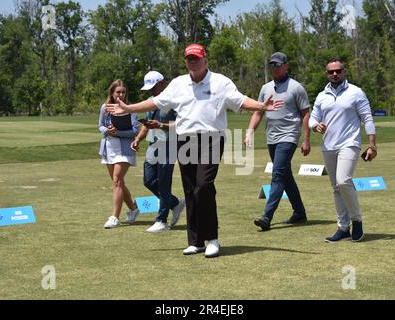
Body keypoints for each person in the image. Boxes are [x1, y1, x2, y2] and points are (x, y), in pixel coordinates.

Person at [106, 43, 283, 258]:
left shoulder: (220, 82)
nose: (193, 62)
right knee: (190, 189)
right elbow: (155, 102)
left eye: (196, 58)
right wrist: (129, 108)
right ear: (185, 61)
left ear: (205, 60)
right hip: (185, 139)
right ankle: (195, 241)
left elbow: (240, 100)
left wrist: (262, 106)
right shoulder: (178, 84)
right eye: (189, 58)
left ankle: (212, 239)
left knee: (203, 186)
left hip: (211, 138)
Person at [309, 58, 377, 242]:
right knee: (336, 188)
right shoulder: (322, 95)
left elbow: (367, 118)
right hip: (328, 146)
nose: (335, 74)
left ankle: (357, 221)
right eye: (331, 71)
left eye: (338, 71)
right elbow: (312, 118)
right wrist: (316, 126)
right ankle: (343, 227)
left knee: (343, 180)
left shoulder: (356, 92)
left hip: (350, 143)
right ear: (327, 73)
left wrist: (372, 145)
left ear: (344, 71)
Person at [246, 52, 311, 231]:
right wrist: (250, 131)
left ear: (286, 66)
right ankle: (299, 212)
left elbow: (305, 114)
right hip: (272, 137)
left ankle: (267, 217)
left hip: (289, 136)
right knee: (285, 176)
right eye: (272, 65)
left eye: (278, 65)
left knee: (277, 174)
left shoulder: (296, 88)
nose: (275, 68)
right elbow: (258, 111)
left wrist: (306, 139)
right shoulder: (266, 88)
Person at [131, 71, 185, 233]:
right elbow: (146, 125)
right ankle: (175, 203)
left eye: (154, 87)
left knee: (164, 181)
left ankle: (161, 220)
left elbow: (182, 125)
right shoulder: (150, 101)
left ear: (162, 83)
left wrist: (161, 126)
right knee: (148, 181)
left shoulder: (174, 102)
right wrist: (138, 139)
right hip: (152, 146)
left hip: (169, 145)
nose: (151, 91)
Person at [98, 79, 140, 229]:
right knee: (119, 182)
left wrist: (118, 133)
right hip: (108, 149)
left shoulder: (131, 108)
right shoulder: (105, 107)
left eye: (123, 92)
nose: (121, 95)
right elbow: (100, 126)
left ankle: (114, 217)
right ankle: (134, 209)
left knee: (117, 180)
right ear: (112, 92)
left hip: (125, 150)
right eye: (118, 92)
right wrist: (107, 131)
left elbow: (136, 130)